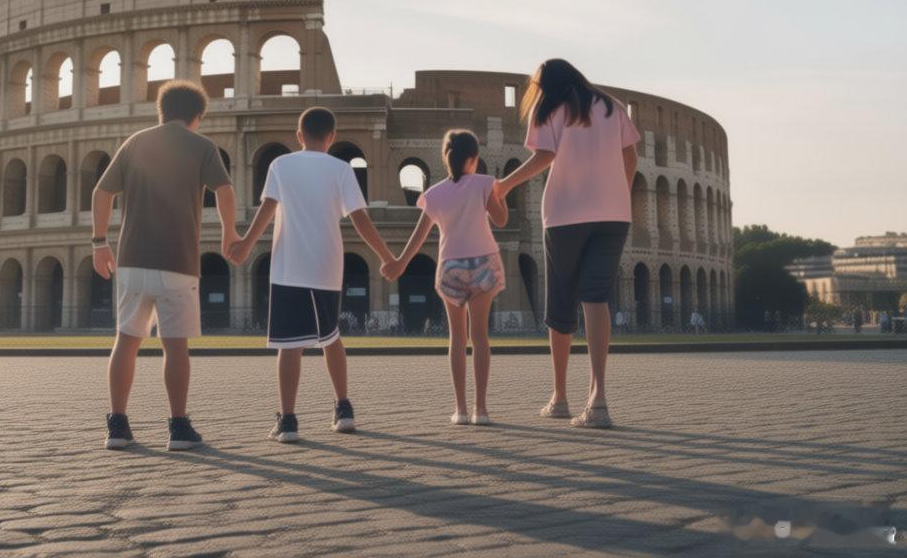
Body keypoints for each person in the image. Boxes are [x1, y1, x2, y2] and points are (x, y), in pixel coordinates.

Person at [228, 107, 394, 444]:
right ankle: (343, 409)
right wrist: (389, 257)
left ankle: (288, 420)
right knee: (331, 337)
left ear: (298, 135)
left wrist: (245, 245)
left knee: (289, 346)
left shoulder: (280, 165)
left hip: (288, 268)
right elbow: (361, 220)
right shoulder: (341, 169)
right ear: (332, 137)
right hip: (327, 267)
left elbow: (267, 210)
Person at [92, 80, 237, 451]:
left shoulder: (135, 142)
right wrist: (229, 233)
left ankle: (118, 426)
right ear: (197, 116)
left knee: (126, 341)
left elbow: (101, 192)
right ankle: (177, 427)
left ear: (161, 111)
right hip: (179, 261)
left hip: (132, 260)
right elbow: (225, 190)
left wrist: (99, 243)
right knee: (176, 347)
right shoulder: (203, 147)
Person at [496, 59, 639, 430]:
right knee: (596, 298)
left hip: (564, 216)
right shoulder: (611, 106)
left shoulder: (549, 109)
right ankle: (598, 399)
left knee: (561, 301)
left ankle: (559, 397)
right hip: (613, 216)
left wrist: (505, 185)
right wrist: (617, 194)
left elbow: (543, 157)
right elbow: (631, 157)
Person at [385, 129, 507, 426]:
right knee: (480, 337)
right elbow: (502, 220)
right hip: (483, 264)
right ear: (474, 158)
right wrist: (498, 194)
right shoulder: (484, 184)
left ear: (446, 158)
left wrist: (400, 263)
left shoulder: (435, 193)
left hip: (450, 264)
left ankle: (461, 409)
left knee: (457, 338)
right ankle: (481, 410)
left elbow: (420, 235)